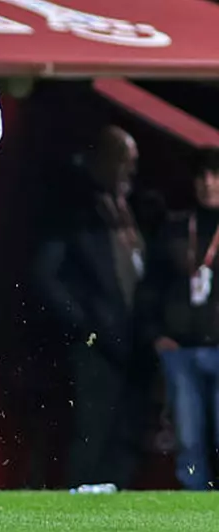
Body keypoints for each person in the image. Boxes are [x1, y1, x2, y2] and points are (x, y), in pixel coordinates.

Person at [33, 126, 152, 490]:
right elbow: (46, 275)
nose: (131, 170)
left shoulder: (131, 209)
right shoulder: (75, 209)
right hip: (95, 343)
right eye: (124, 160)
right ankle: (80, 496)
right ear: (103, 160)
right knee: (92, 427)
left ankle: (114, 498)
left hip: (134, 340)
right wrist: (85, 325)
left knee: (126, 429)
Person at [140, 148, 219, 490]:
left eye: (215, 175)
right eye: (202, 176)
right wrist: (156, 334)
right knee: (188, 439)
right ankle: (193, 506)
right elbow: (150, 288)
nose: (208, 183)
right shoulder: (175, 229)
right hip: (181, 350)